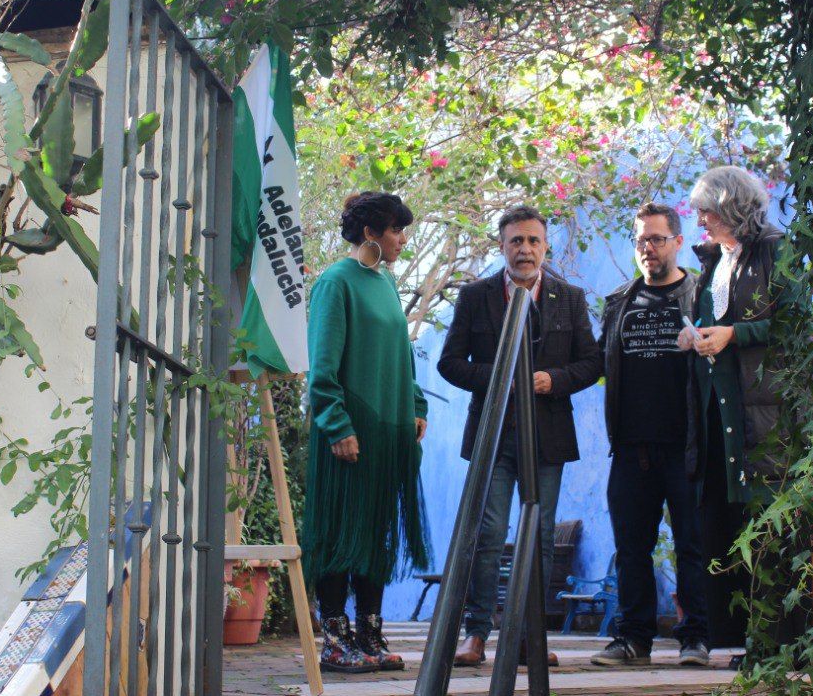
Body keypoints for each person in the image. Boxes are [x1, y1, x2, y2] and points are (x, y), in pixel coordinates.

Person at [438, 205, 602, 667]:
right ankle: (476, 633)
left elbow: (592, 362)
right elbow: (449, 363)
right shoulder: (476, 297)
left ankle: (532, 637)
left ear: (545, 246)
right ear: (502, 246)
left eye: (533, 241)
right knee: (487, 533)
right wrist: (499, 377)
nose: (525, 249)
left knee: (542, 535)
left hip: (547, 437)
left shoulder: (569, 297)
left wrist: (553, 379)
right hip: (493, 436)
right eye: (516, 241)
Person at [303, 191, 430, 673]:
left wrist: (414, 405)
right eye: (396, 230)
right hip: (349, 431)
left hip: (388, 431)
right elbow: (322, 367)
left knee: (374, 536)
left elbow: (401, 354)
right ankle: (335, 641)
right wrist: (337, 425)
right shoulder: (336, 282)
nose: (402, 240)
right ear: (371, 232)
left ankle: (369, 635)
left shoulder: (385, 283)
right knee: (340, 534)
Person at [677, 165, 799, 666]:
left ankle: (779, 646)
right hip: (714, 412)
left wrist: (735, 334)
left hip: (760, 415)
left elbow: (795, 323)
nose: (700, 218)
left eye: (708, 209)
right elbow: (714, 322)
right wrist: (697, 335)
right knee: (724, 528)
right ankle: (745, 642)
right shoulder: (711, 261)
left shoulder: (776, 251)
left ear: (733, 207)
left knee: (766, 531)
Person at [591, 203, 711, 668]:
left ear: (677, 242)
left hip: (686, 445)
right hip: (630, 447)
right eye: (641, 239)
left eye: (657, 239)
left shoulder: (701, 295)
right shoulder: (619, 301)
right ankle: (633, 638)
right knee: (631, 548)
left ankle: (695, 638)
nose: (648, 248)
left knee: (692, 545)